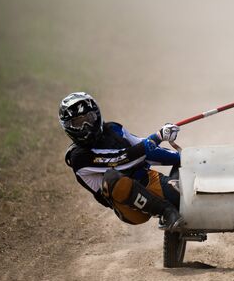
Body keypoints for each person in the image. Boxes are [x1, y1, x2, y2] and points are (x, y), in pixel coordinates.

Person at [59, 92, 184, 230]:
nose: (85, 126)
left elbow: (145, 150)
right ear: (67, 127)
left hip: (148, 180)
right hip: (128, 207)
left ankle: (178, 213)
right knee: (112, 178)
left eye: (89, 118)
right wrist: (158, 137)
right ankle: (166, 212)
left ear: (97, 115)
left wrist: (183, 158)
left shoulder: (114, 129)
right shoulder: (78, 157)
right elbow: (121, 160)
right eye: (77, 123)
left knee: (185, 192)